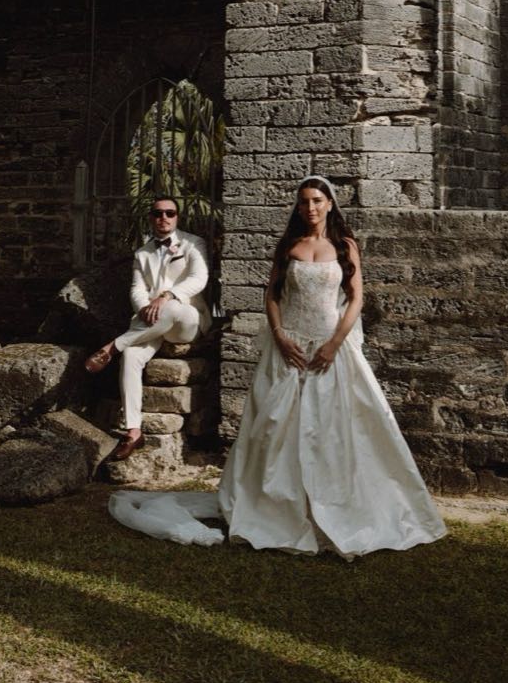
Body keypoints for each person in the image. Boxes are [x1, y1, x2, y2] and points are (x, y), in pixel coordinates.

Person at [108, 176, 445, 555]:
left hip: (331, 347)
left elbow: (354, 300)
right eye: (304, 202)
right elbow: (271, 297)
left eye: (317, 201)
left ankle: (340, 505)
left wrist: (335, 344)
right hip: (291, 346)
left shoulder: (345, 245)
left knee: (338, 428)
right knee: (275, 426)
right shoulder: (289, 246)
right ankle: (278, 505)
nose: (310, 208)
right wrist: (281, 335)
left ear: (329, 204)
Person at [86, 194, 210, 461]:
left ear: (177, 217)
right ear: (151, 218)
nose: (163, 218)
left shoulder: (193, 243)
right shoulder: (142, 253)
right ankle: (133, 431)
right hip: (151, 323)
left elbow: (199, 279)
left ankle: (113, 346)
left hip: (184, 320)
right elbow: (136, 289)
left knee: (173, 309)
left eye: (169, 213)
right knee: (131, 357)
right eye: (157, 213)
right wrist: (145, 307)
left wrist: (165, 297)